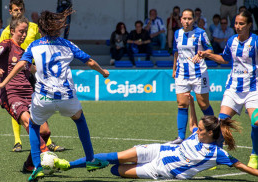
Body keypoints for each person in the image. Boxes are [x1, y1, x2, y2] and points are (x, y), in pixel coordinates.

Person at [0, 10, 110, 181]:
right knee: (80, 120)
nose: (24, 34)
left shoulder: (33, 46)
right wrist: (103, 72)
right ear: (58, 28)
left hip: (43, 98)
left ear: (41, 29)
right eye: (21, 31)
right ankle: (90, 159)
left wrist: (1, 82)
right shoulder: (67, 44)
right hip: (65, 97)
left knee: (37, 128)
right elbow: (89, 61)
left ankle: (36, 167)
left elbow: (23, 65)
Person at [53, 93, 258, 180]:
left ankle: (94, 164)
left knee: (116, 170)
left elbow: (241, 166)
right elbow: (193, 124)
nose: (197, 129)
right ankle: (67, 165)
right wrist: (191, 104)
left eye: (202, 129)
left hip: (160, 169)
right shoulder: (198, 134)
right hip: (159, 150)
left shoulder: (216, 153)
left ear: (210, 133)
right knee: (110, 156)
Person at [0, 16, 54, 175]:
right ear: (12, 31)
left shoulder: (25, 53)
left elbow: (31, 70)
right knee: (28, 122)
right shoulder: (7, 44)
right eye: (20, 31)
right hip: (11, 94)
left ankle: (30, 164)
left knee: (45, 132)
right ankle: (46, 156)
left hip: (29, 94)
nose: (23, 35)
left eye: (25, 32)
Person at [0, 0, 64, 154]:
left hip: (32, 72)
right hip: (15, 74)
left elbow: (42, 46)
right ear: (10, 12)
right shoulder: (6, 31)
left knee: (39, 105)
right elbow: (1, 55)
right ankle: (17, 141)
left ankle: (48, 141)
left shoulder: (33, 28)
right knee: (17, 106)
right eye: (15, 10)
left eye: (20, 9)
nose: (18, 12)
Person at [199, 10, 258, 169]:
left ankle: (255, 154)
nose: (238, 26)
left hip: (253, 89)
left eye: (241, 24)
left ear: (249, 25)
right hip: (233, 88)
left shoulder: (256, 41)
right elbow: (225, 59)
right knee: (221, 122)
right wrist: (207, 55)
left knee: (256, 123)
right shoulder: (231, 40)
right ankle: (215, 155)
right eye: (236, 23)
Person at [170, 9, 214, 144]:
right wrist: (174, 69)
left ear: (193, 19)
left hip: (198, 73)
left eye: (189, 18)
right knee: (182, 103)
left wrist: (202, 53)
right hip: (182, 73)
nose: (187, 21)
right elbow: (176, 52)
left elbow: (210, 49)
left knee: (203, 104)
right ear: (181, 20)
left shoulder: (200, 33)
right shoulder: (177, 33)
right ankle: (180, 137)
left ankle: (215, 132)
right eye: (184, 18)